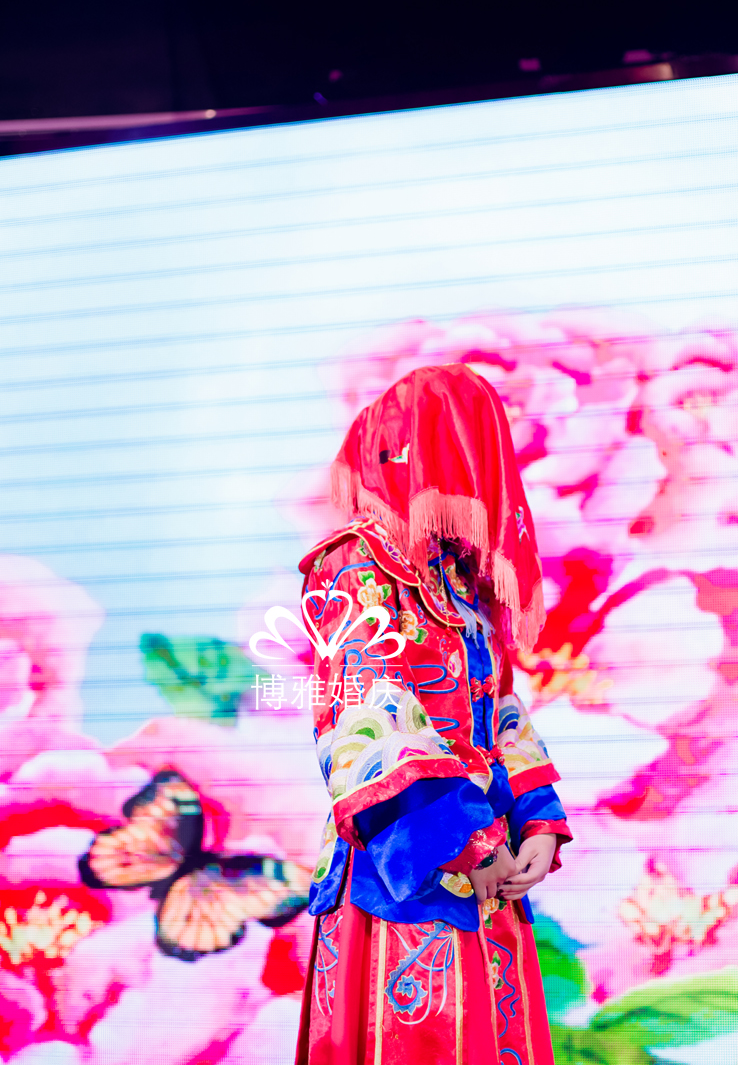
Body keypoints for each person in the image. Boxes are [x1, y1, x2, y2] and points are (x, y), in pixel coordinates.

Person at [294, 364, 572, 1065]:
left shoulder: (458, 578)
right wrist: (468, 841)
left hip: (488, 866)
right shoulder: (357, 564)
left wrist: (538, 817)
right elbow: (364, 716)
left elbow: (496, 704)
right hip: (409, 872)